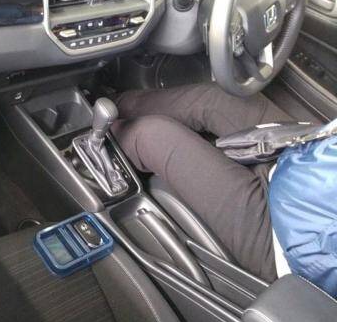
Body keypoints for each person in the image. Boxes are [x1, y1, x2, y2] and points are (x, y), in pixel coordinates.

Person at [111, 82, 301, 282]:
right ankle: (105, 104)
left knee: (150, 136)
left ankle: (96, 138)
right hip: (306, 169)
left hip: (287, 236)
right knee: (218, 98)